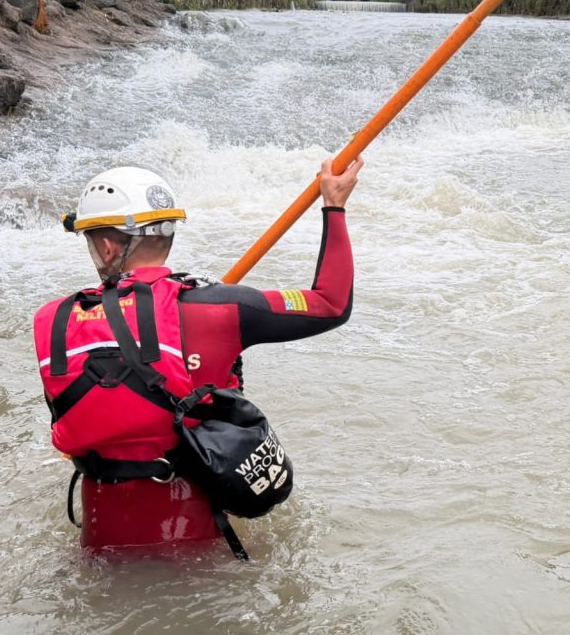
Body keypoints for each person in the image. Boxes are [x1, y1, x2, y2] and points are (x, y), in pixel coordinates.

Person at [33, 157, 363, 553]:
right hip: (198, 537)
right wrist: (334, 205)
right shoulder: (224, 307)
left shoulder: (57, 320)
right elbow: (331, 302)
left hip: (101, 540)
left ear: (106, 246)